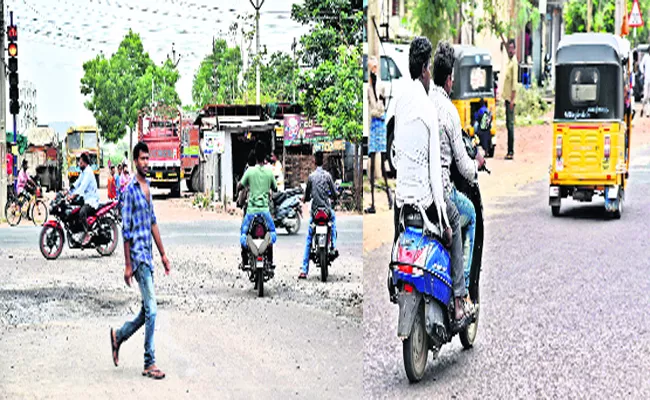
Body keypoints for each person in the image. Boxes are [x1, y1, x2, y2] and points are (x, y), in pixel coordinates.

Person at [392, 36, 470, 327]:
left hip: (402, 201)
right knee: (456, 222)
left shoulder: (400, 103)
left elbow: (397, 156)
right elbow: (437, 178)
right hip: (426, 201)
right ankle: (460, 298)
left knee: (397, 227)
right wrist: (446, 223)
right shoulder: (428, 108)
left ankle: (394, 277)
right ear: (425, 69)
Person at [430, 40, 485, 301]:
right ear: (450, 79)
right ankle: (460, 292)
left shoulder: (421, 102)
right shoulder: (449, 111)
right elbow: (464, 167)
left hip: (412, 195)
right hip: (441, 194)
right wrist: (478, 165)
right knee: (470, 214)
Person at [110, 141, 170, 380]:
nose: (146, 162)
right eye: (142, 159)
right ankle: (149, 361)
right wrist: (127, 265)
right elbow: (125, 232)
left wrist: (164, 254)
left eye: (148, 158)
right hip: (138, 258)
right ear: (135, 161)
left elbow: (153, 222)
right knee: (153, 311)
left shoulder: (148, 188)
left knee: (147, 310)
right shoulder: (128, 191)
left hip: (150, 255)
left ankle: (119, 336)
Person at [237, 141, 278, 270]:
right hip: (265, 211)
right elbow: (275, 188)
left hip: (251, 212)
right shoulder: (269, 172)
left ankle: (245, 261)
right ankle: (270, 261)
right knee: (270, 233)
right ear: (265, 156)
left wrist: (238, 187)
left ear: (255, 156)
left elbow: (240, 185)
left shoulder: (250, 171)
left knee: (244, 233)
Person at [299, 151, 339, 279]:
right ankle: (333, 245)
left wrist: (304, 199)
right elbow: (334, 193)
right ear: (324, 161)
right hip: (326, 212)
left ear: (314, 162)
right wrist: (335, 196)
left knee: (309, 239)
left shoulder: (311, 177)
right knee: (333, 222)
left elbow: (306, 195)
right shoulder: (327, 176)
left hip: (316, 213)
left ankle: (304, 270)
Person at [365, 55, 392, 214]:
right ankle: (373, 203)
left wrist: (377, 112)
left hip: (380, 125)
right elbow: (373, 110)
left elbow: (381, 109)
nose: (372, 70)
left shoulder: (380, 86)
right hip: (374, 126)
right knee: (372, 161)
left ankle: (389, 198)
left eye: (374, 67)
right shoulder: (369, 88)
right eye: (371, 68)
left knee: (382, 163)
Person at [67, 152, 99, 246]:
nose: (79, 164)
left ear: (85, 163)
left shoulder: (88, 172)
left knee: (82, 212)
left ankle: (87, 232)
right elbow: (77, 183)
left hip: (92, 200)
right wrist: (68, 191)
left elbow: (82, 187)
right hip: (86, 198)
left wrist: (73, 196)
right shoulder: (83, 172)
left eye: (80, 163)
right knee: (73, 209)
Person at [503, 39, 518, 160]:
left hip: (511, 99)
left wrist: (513, 100)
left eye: (512, 48)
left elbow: (514, 84)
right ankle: (509, 150)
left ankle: (511, 151)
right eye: (509, 47)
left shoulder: (514, 63)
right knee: (508, 125)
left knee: (510, 125)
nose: (510, 50)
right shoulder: (508, 62)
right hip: (507, 98)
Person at [640, 51, 650, 117]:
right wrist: (643, 72)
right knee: (645, 96)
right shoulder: (646, 56)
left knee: (649, 97)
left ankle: (648, 112)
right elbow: (641, 64)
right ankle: (642, 108)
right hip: (647, 78)